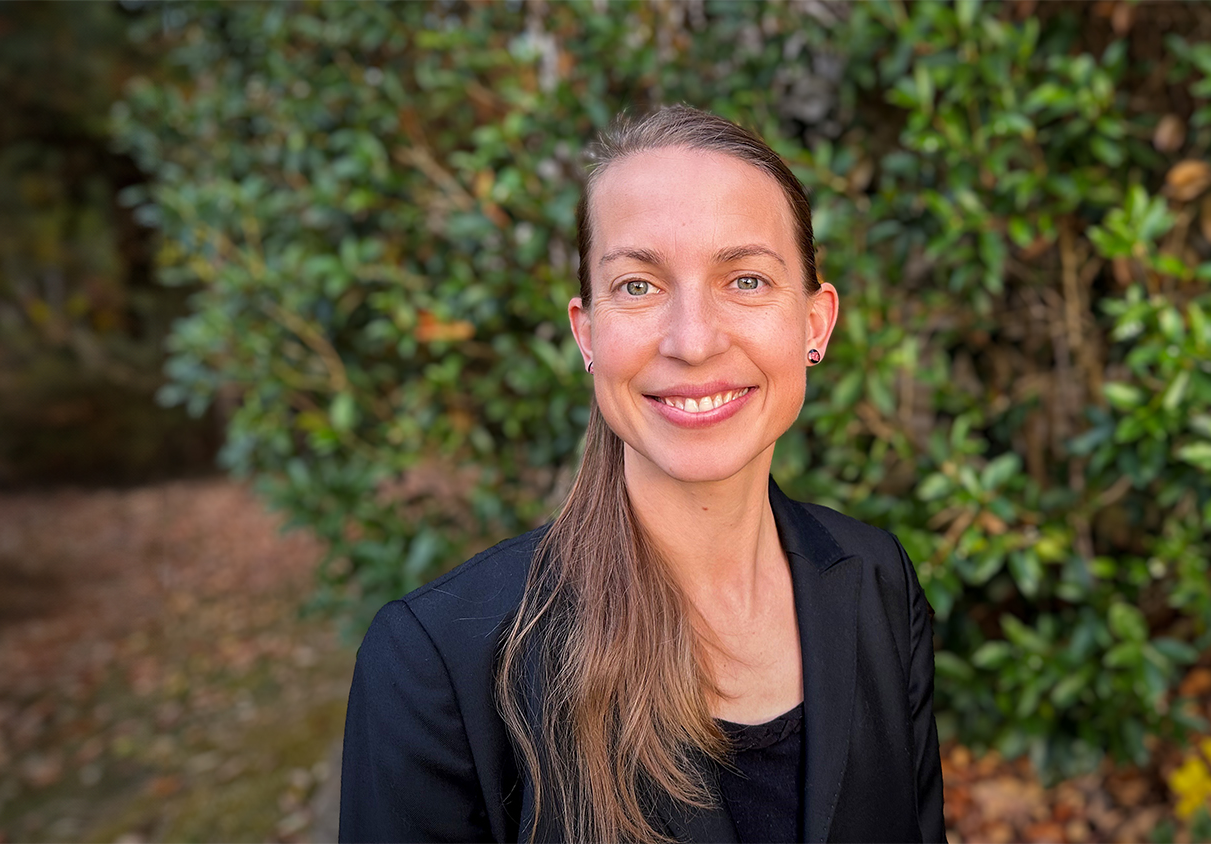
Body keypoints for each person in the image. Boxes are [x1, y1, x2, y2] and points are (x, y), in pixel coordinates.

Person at [339, 105, 946, 843]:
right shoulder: (436, 661)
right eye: (637, 286)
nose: (693, 341)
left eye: (745, 279)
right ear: (587, 332)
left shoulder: (878, 582)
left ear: (814, 324)